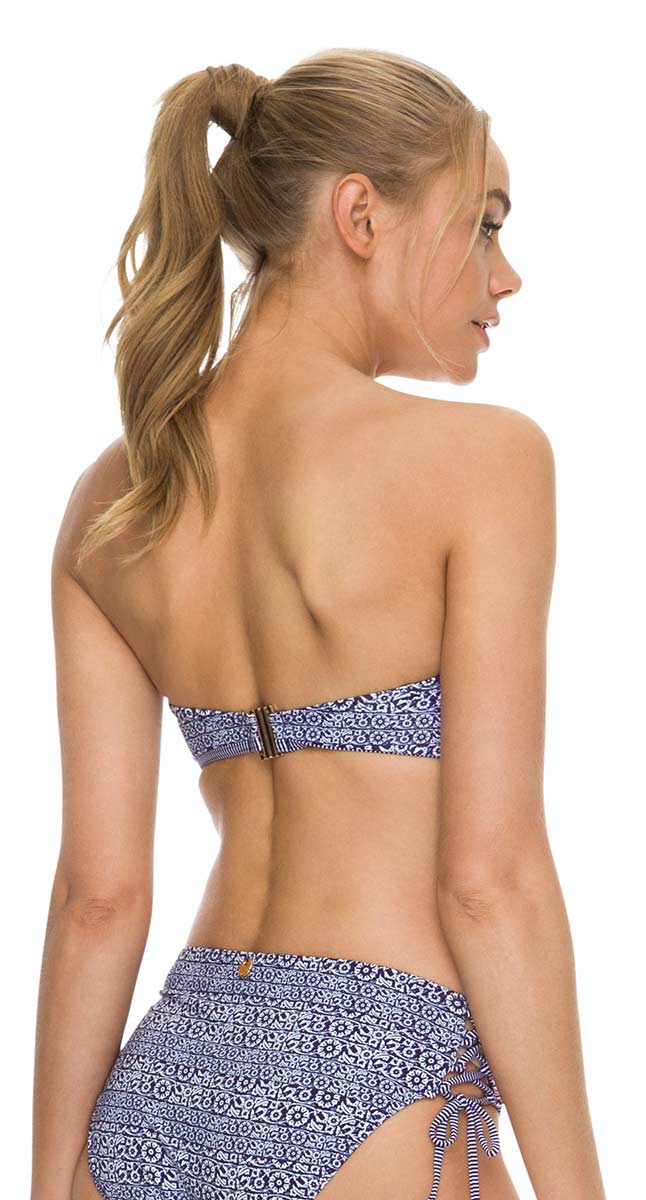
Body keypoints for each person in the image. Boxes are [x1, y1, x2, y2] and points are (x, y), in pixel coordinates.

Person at [31, 47, 606, 1200]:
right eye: (483, 224)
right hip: (381, 1088)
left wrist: (53, 1183)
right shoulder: (482, 464)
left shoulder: (116, 498)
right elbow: (489, 882)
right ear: (359, 215)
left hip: (160, 1092)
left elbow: (100, 900)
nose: (505, 277)